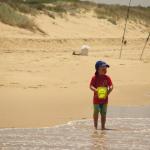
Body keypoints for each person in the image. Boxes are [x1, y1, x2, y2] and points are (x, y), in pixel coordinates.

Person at [89, 61, 113, 130]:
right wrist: (96, 90)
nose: (105, 71)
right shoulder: (94, 78)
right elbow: (91, 86)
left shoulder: (107, 78)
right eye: (103, 69)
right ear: (97, 69)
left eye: (106, 69)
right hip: (96, 100)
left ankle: (103, 127)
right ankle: (95, 126)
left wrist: (108, 92)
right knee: (96, 112)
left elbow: (111, 86)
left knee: (104, 113)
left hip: (105, 100)